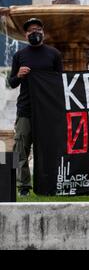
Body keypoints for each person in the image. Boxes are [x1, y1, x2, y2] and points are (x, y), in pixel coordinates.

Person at [9, 18, 63, 197]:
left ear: (43, 33)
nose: (35, 32)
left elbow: (60, 82)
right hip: (25, 109)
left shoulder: (54, 54)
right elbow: (11, 83)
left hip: (47, 111)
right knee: (20, 149)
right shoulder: (19, 55)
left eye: (38, 29)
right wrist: (18, 75)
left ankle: (48, 185)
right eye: (31, 30)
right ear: (26, 35)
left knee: (47, 149)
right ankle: (23, 186)